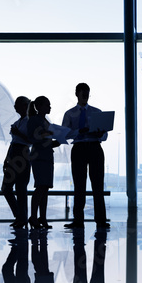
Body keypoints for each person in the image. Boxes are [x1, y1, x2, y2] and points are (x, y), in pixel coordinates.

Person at [62, 83, 109, 229]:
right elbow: (64, 134)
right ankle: (78, 220)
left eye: (87, 94)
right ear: (77, 94)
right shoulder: (69, 114)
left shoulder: (97, 112)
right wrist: (79, 131)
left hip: (95, 147)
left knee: (98, 186)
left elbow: (105, 135)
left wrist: (100, 133)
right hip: (79, 148)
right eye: (83, 94)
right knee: (79, 186)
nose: (86, 97)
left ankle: (100, 220)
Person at [26, 96, 59, 230]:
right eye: (47, 105)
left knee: (45, 188)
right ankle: (34, 217)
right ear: (39, 107)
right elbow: (32, 138)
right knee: (40, 187)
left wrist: (58, 141)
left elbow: (47, 142)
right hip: (39, 157)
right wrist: (46, 135)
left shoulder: (45, 121)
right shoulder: (34, 120)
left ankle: (42, 218)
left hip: (46, 156)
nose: (49, 108)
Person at [2, 96, 32, 230]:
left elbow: (30, 140)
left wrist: (17, 133)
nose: (15, 107)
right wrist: (6, 158)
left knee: (20, 188)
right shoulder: (17, 122)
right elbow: (13, 142)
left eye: (18, 105)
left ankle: (22, 218)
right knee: (6, 188)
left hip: (23, 154)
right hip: (14, 153)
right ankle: (19, 215)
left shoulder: (29, 122)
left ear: (25, 106)